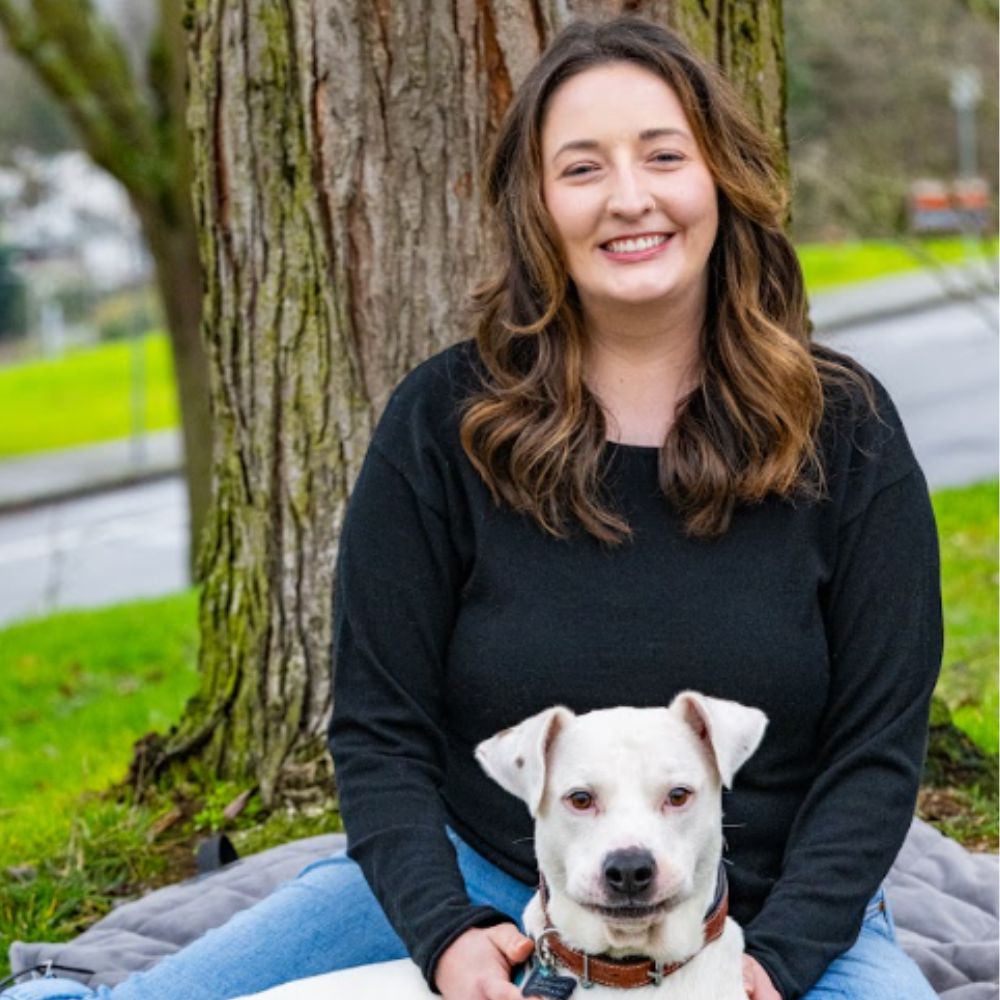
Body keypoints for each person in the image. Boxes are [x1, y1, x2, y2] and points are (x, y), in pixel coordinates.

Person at [3, 15, 942, 1000]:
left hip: (771, 910)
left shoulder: (846, 430)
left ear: (722, 178)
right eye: (581, 169)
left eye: (664, 155)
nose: (630, 198)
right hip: (480, 875)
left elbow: (875, 751)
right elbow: (378, 727)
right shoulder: (442, 425)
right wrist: (443, 933)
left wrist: (774, 960)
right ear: (536, 205)